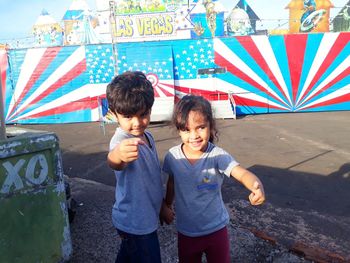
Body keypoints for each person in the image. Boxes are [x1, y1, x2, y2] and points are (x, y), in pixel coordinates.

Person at [160, 95, 266, 263]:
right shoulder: (173, 156)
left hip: (216, 231)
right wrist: (166, 204)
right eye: (187, 130)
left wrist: (255, 185)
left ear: (210, 125)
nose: (194, 135)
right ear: (179, 130)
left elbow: (241, 173)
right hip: (186, 232)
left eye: (200, 127)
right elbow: (172, 182)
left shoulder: (217, 156)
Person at [106, 71, 163, 263]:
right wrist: (119, 155)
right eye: (128, 116)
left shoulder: (148, 137)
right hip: (136, 222)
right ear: (114, 114)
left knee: (129, 255)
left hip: (145, 217)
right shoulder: (121, 140)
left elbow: (153, 180)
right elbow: (114, 161)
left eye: (143, 114)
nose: (137, 123)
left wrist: (162, 205)